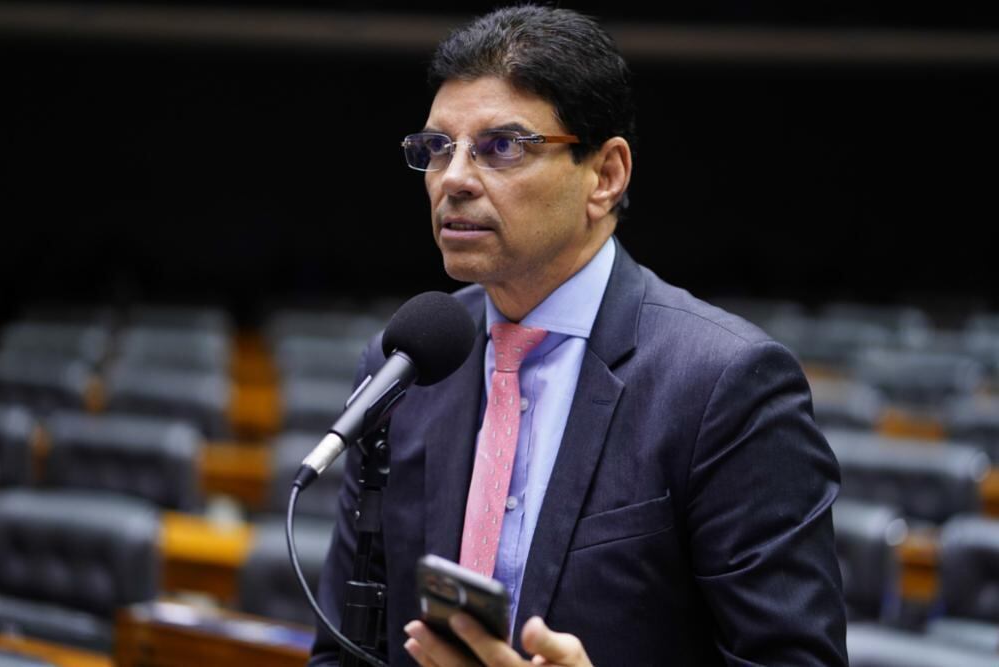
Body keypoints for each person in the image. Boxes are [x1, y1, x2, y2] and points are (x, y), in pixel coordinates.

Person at [310, 5, 847, 666]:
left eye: (501, 146)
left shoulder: (725, 385)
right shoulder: (407, 363)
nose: (453, 179)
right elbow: (343, 650)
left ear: (606, 175)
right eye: (437, 149)